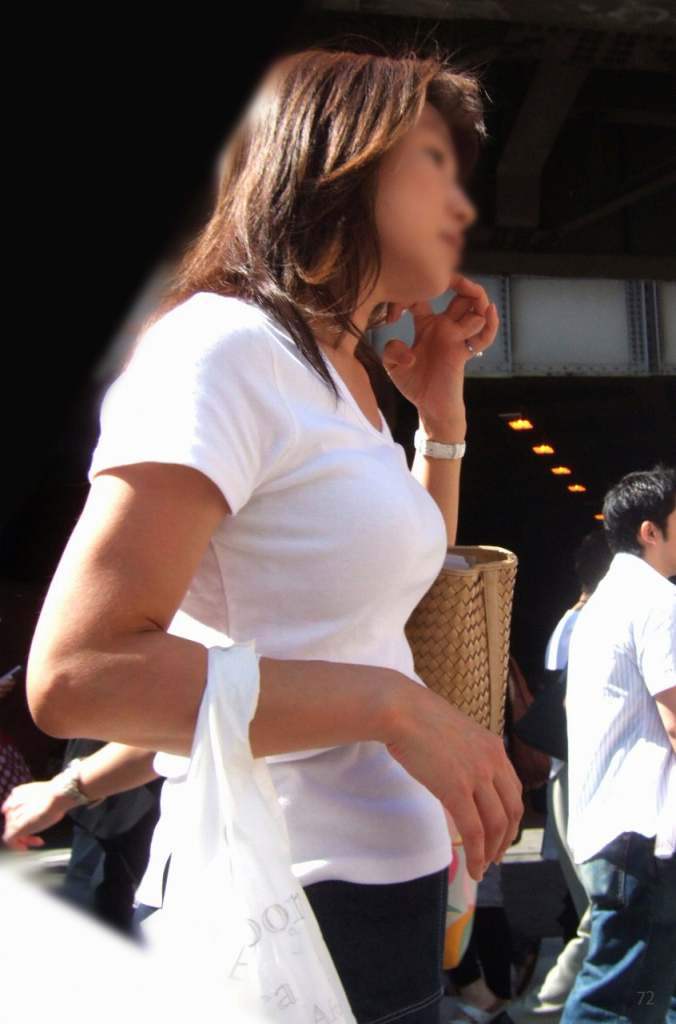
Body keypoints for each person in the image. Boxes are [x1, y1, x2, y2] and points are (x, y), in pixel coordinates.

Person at [24, 46, 523, 1024]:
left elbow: (395, 584)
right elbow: (78, 674)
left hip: (387, 897)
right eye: (430, 166)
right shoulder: (219, 347)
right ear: (336, 170)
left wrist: (440, 414)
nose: (458, 205)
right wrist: (394, 707)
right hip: (281, 905)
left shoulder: (340, 377)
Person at [561, 465, 676, 1024]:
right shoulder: (657, 600)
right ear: (651, 531)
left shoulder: (602, 604)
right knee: (614, 1003)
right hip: (643, 831)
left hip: (613, 827)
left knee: (649, 995)